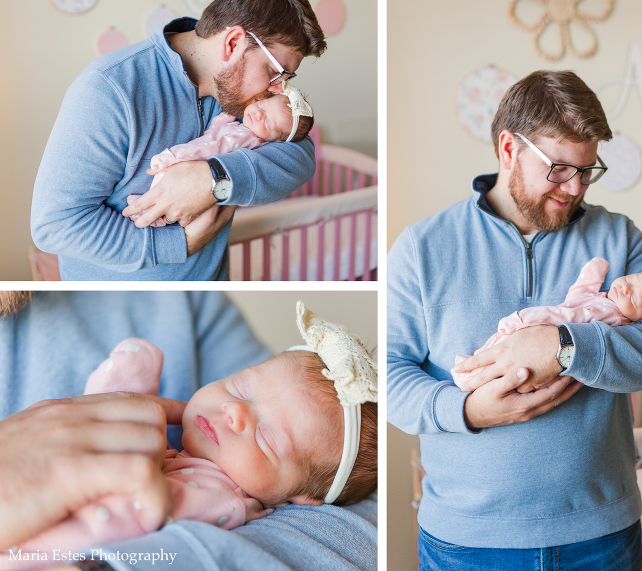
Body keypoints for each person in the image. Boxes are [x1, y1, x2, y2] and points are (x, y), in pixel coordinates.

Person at [387, 70, 642, 570]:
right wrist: (468, 411)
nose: (574, 188)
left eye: (587, 171)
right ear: (509, 149)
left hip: (601, 535)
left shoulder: (619, 238)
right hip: (466, 542)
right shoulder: (421, 248)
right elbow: (390, 375)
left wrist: (563, 346)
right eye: (559, 168)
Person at [0, 292, 377, 571]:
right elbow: (100, 430)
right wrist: (126, 395)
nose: (234, 411)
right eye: (239, 387)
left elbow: (352, 534)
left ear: (301, 496)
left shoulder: (227, 503)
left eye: (267, 439)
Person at [31, 0, 326, 281]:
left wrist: (212, 178)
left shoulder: (243, 101)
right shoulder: (108, 90)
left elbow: (300, 153)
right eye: (275, 73)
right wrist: (179, 243)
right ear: (233, 43)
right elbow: (55, 225)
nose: (278, 89)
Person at [453, 255, 642, 391]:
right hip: (538, 329)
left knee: (503, 354)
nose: (625, 288)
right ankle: (471, 374)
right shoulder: (606, 300)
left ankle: (469, 378)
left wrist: (531, 321)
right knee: (499, 349)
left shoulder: (613, 317)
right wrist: (593, 274)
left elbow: (571, 317)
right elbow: (577, 297)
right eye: (630, 279)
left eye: (634, 298)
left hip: (541, 328)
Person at [125, 83, 314, 228]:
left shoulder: (247, 138)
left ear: (277, 140)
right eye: (262, 106)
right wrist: (226, 116)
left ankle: (154, 216)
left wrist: (174, 156)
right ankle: (155, 215)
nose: (258, 115)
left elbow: (212, 148)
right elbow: (215, 131)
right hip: (192, 168)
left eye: (268, 123)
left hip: (191, 161)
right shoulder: (242, 128)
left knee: (164, 187)